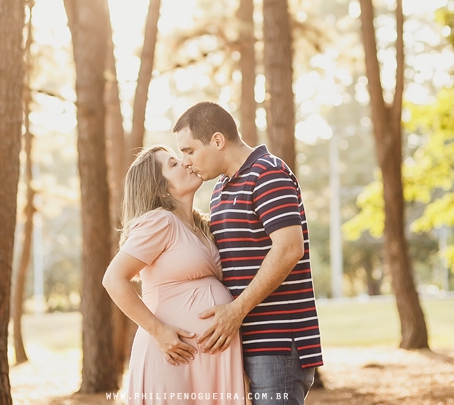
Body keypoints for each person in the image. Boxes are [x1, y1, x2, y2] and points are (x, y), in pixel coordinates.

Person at [173, 102, 323, 405]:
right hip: (245, 342)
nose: (185, 162)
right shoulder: (221, 188)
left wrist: (236, 311)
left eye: (189, 151)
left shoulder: (268, 173)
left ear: (217, 140)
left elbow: (289, 248)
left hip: (277, 344)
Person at [102, 144, 246, 400]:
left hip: (208, 360)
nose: (186, 163)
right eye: (173, 164)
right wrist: (158, 330)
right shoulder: (160, 221)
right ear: (160, 187)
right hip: (174, 355)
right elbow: (114, 279)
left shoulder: (201, 227)